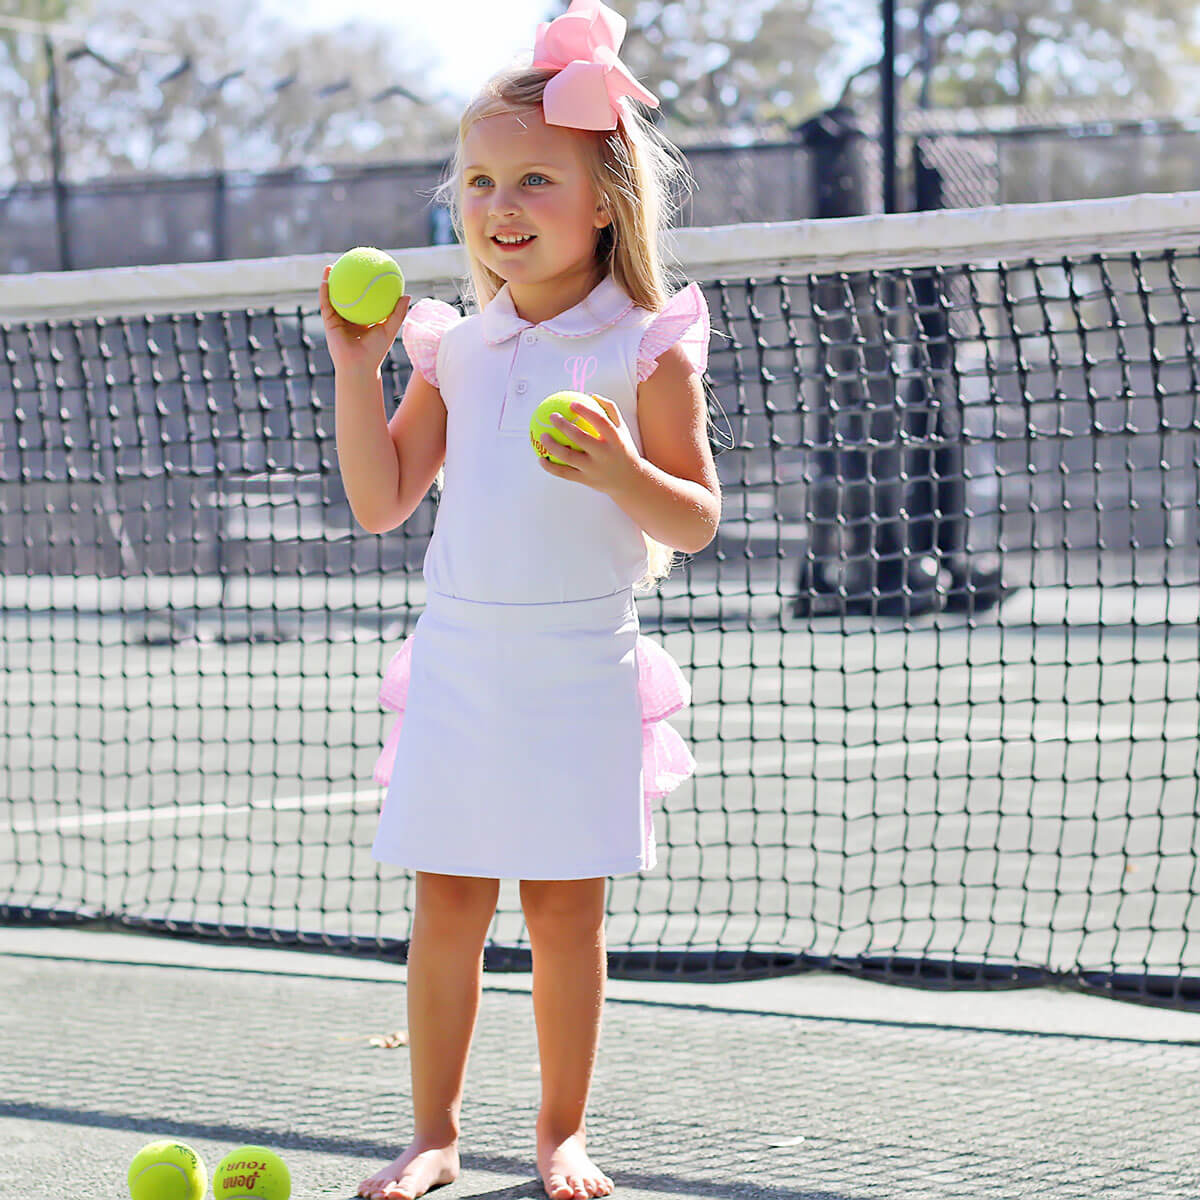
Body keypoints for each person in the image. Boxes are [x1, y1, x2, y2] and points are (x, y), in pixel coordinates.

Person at [319, 3, 720, 1197]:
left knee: (562, 920)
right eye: (480, 181)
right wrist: (358, 367)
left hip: (579, 669)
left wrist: (619, 470)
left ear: (603, 198)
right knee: (445, 907)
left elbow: (694, 518)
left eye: (533, 180)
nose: (499, 208)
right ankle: (433, 1133)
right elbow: (383, 498)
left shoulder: (646, 342)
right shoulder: (456, 347)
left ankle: (560, 1137)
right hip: (458, 664)